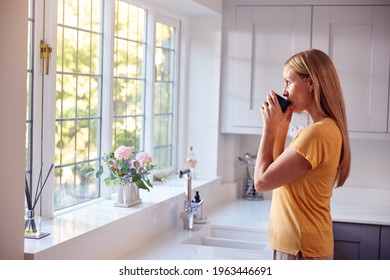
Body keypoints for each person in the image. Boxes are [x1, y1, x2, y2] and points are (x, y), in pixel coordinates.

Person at [254, 49, 351, 260]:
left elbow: (261, 182)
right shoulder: (325, 129)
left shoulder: (316, 133)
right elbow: (278, 175)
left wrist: (268, 129)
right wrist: (280, 129)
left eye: (288, 81)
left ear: (311, 83)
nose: (284, 91)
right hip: (303, 247)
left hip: (300, 250)